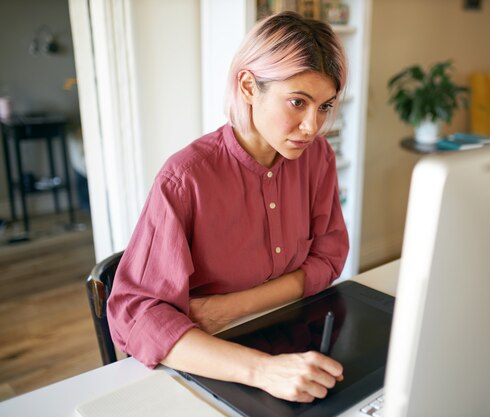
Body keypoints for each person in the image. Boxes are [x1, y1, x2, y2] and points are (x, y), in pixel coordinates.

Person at [107, 11, 350, 403]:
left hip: (293, 341)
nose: (312, 126)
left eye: (324, 106)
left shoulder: (317, 157)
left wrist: (230, 308)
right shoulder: (185, 178)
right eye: (297, 102)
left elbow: (329, 257)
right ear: (249, 86)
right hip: (212, 358)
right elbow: (136, 315)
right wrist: (261, 370)